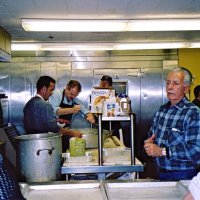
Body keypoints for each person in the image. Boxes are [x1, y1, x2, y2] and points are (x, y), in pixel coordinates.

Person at [144, 67, 200, 181]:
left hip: (184, 175)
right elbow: (151, 135)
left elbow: (196, 150)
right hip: (160, 172)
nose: (170, 87)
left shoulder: (193, 113)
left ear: (186, 88)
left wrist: (161, 151)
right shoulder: (162, 110)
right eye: (168, 83)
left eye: (175, 83)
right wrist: (148, 143)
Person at [23, 76, 82, 152]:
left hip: (31, 145)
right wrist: (72, 133)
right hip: (44, 146)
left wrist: (56, 119)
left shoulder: (29, 103)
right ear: (44, 89)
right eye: (51, 90)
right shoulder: (45, 105)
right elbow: (54, 128)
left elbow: (37, 121)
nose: (51, 93)